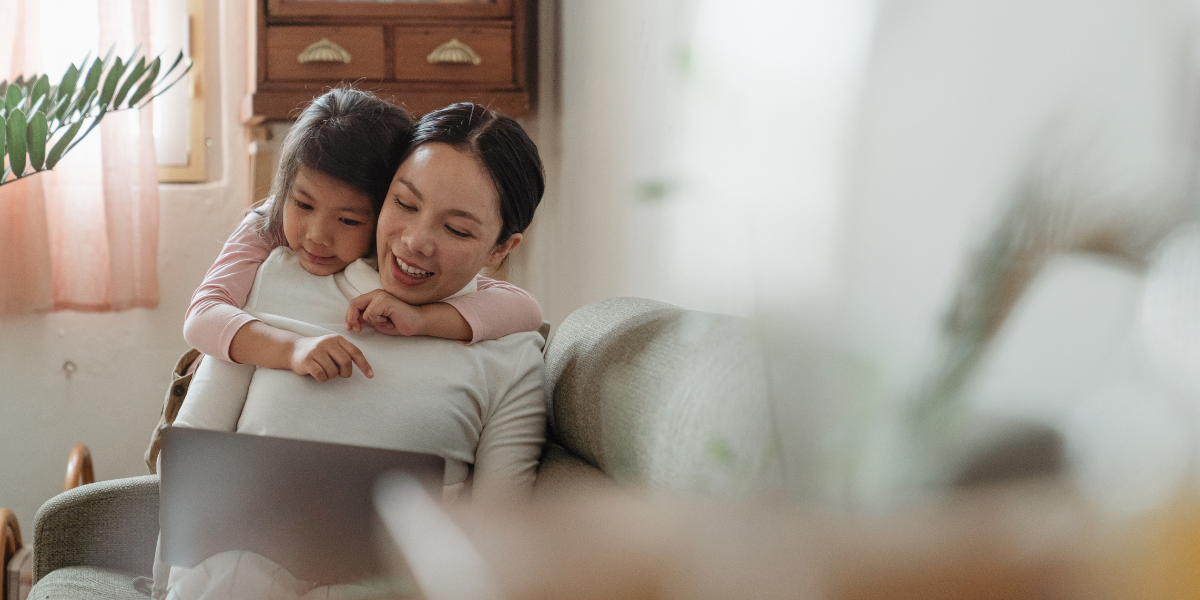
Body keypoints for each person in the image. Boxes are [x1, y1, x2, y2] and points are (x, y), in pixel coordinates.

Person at [162, 102, 548, 600]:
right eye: (405, 204)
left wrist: (425, 322)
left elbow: (499, 538)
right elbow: (196, 454)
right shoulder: (275, 277)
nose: (415, 241)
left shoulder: (511, 355)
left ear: (500, 249)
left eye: (456, 229)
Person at [183, 89, 543, 383]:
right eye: (304, 205)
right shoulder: (269, 222)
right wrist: (292, 349)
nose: (318, 236)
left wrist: (423, 320)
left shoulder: (397, 239)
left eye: (349, 220)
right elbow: (202, 314)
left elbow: (525, 309)